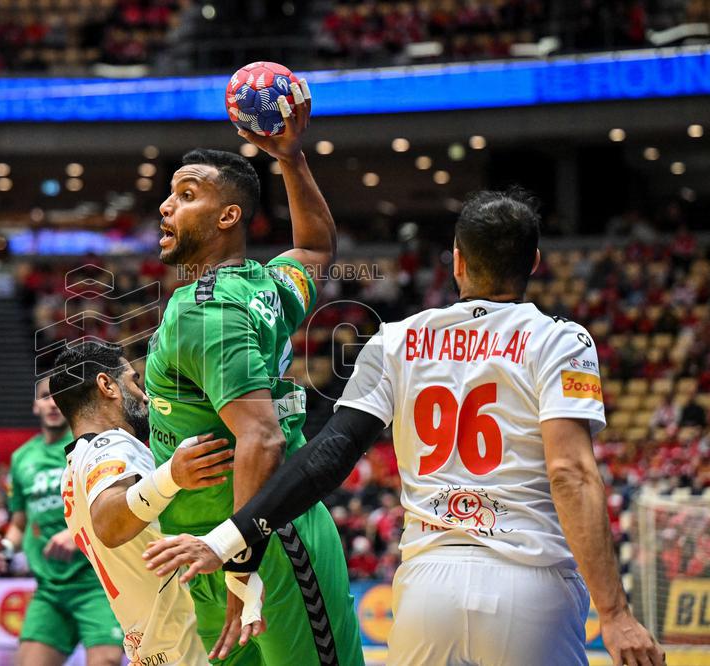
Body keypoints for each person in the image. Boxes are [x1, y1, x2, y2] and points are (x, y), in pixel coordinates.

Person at [144, 189, 666, 666]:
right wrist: (615, 613)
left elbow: (329, 456)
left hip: (426, 588)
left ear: (457, 261)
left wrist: (229, 537)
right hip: (529, 581)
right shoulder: (561, 341)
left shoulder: (396, 340)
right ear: (533, 262)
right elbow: (571, 473)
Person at [143, 79, 364, 665]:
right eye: (170, 194)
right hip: (212, 551)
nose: (167, 206)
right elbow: (316, 246)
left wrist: (242, 567)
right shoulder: (268, 285)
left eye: (187, 195)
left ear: (228, 217)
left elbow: (261, 437)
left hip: (262, 548)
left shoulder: (209, 310)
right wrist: (289, 158)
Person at [52, 341, 247, 665]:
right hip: (186, 646)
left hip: (151, 648)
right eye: (134, 381)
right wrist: (172, 475)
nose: (144, 395)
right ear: (106, 385)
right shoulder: (110, 444)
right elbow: (109, 524)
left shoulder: (72, 471)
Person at [0, 375, 122, 666]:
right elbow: (20, 522)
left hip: (96, 584)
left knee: (106, 661)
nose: (53, 402)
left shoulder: (91, 447)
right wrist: (5, 549)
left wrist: (78, 534)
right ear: (35, 405)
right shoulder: (22, 458)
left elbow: (117, 509)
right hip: (50, 589)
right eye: (46, 396)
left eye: (60, 396)